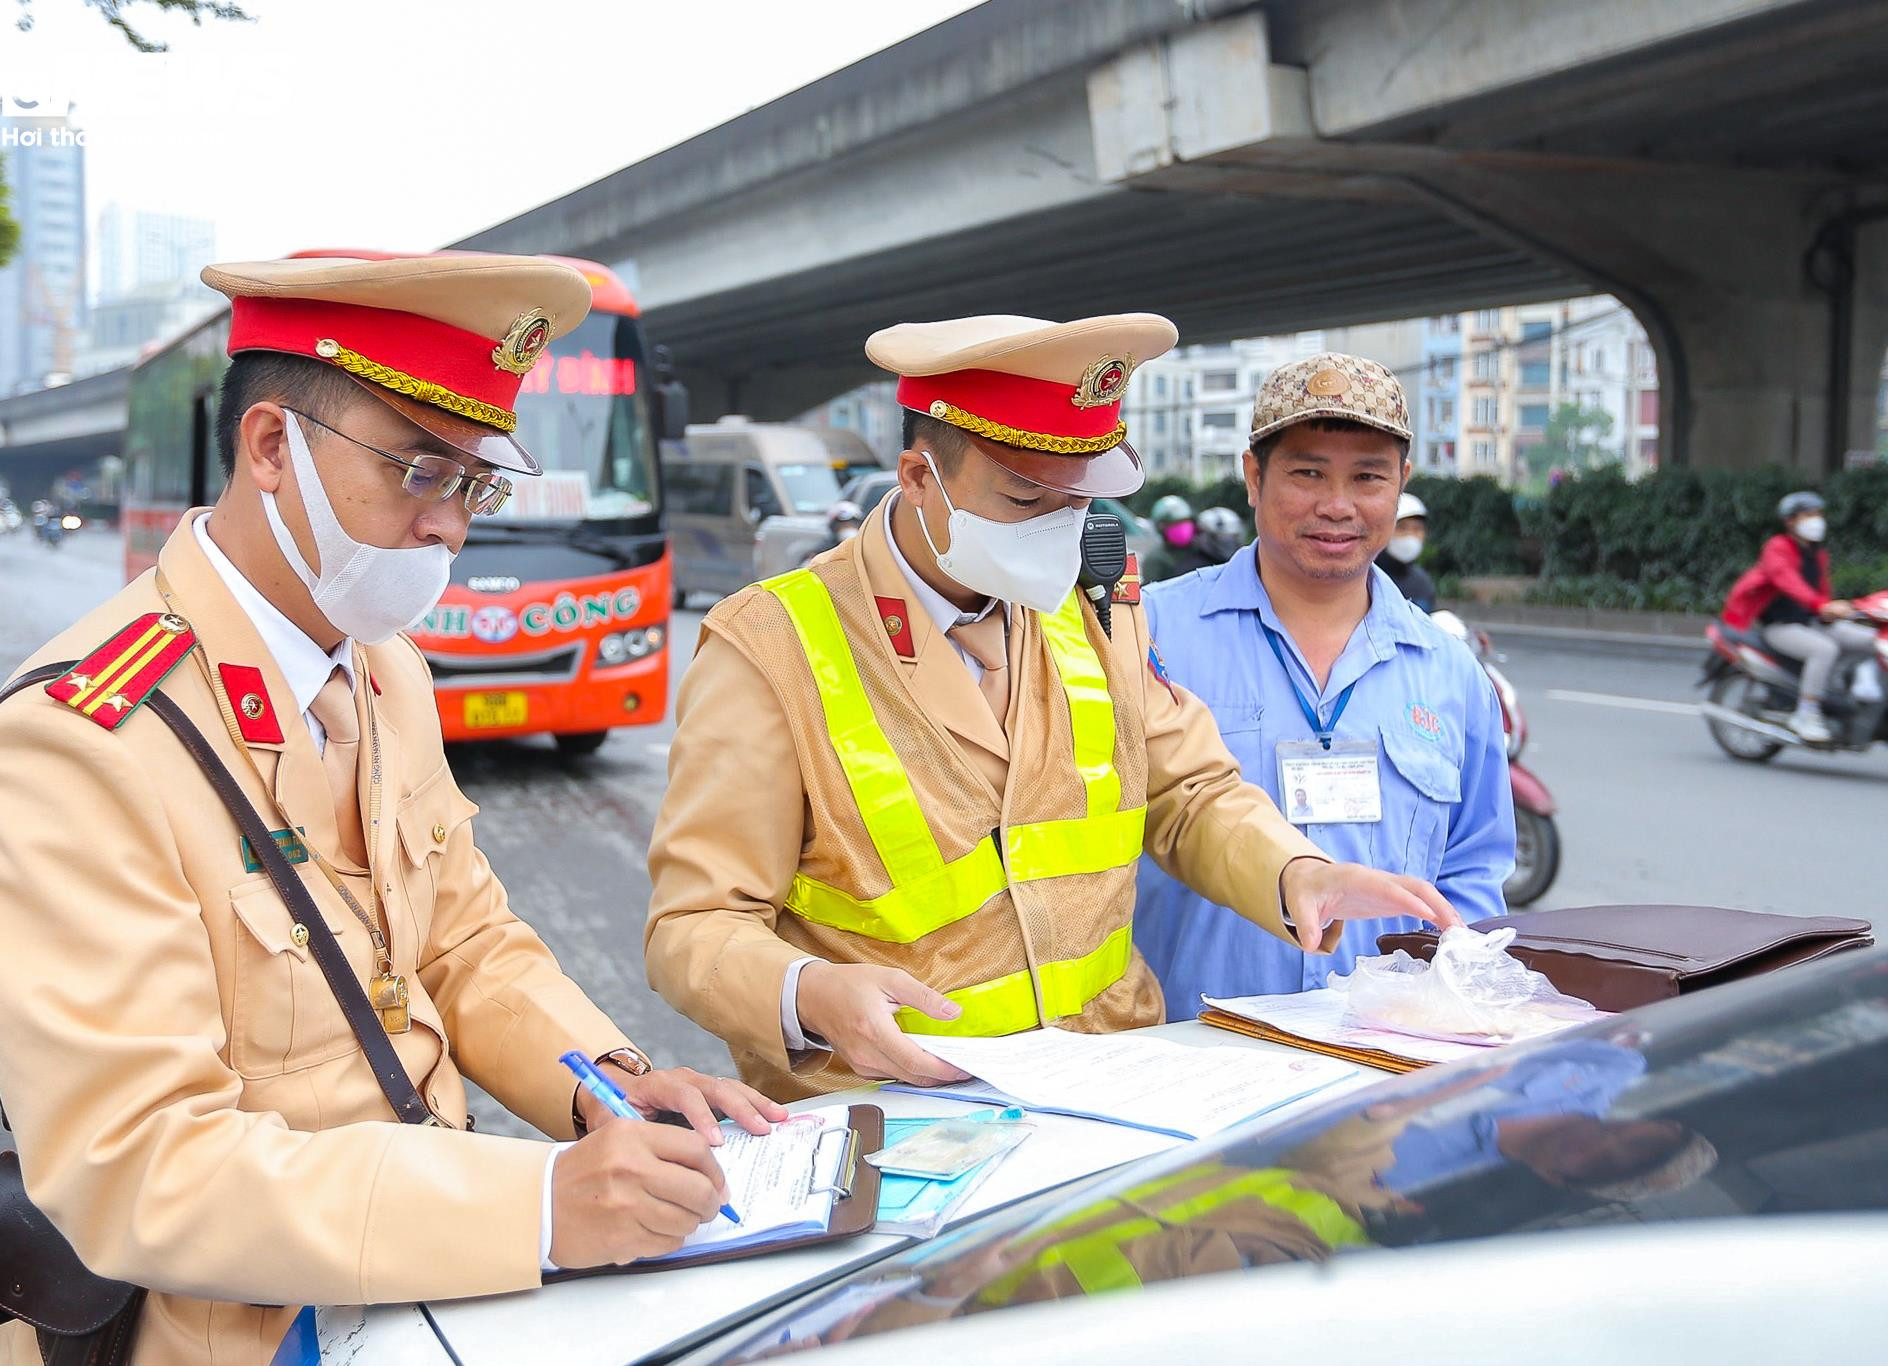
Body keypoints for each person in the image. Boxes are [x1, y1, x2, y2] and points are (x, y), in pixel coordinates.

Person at [0, 251, 785, 1364]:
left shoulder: (385, 672)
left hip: (427, 1295)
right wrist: (535, 1207)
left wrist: (610, 1090)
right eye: (417, 473)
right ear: (269, 450)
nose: (448, 530)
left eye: (474, 485)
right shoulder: (75, 742)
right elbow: (142, 1167)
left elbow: (464, 941)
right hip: (227, 1334)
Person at [645, 316, 1461, 1102]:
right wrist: (809, 993)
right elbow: (696, 925)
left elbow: (1188, 791)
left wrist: (1297, 874)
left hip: (1106, 1089)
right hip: (897, 1110)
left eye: (1080, 499)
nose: (1061, 531)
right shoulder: (774, 643)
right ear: (921, 479)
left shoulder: (1097, 602)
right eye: (1027, 502)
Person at [1132, 353, 1514, 1007]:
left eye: (1368, 478)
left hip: (1385, 1059)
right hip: (1190, 1053)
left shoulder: (1450, 672)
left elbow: (1474, 870)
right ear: (1253, 477)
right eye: (1307, 474)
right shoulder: (1147, 633)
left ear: (1401, 485)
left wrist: (1449, 1007)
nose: (1337, 506)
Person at [1720, 490, 1871, 743]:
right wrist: (1821, 604)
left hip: (1812, 622)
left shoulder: (1817, 555)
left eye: (1819, 514)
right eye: (1809, 514)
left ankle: (1856, 694)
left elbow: (1822, 592)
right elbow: (1786, 580)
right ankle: (1806, 714)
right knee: (1824, 650)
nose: (1817, 520)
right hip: (1780, 627)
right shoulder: (1777, 547)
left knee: (1870, 640)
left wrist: (1840, 611)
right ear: (1791, 521)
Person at [1377, 490, 1436, 612]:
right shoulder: (1365, 578)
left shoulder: (1422, 582)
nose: (1410, 535)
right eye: (1402, 528)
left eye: (1417, 529)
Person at [1142, 493, 1215, 582]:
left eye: (1185, 522)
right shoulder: (1156, 559)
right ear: (1161, 528)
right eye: (1175, 524)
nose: (1182, 528)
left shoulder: (1204, 549)